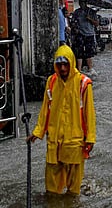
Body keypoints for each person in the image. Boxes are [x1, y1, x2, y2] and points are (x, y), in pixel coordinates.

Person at [26, 45, 96, 195]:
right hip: (54, 141)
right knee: (51, 190)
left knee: (73, 191)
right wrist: (37, 132)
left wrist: (90, 138)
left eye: (66, 64)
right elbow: (46, 109)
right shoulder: (51, 82)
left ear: (71, 63)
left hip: (74, 142)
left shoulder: (83, 83)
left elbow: (89, 114)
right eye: (59, 64)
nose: (63, 68)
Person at [71, 0, 99, 77]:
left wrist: (90, 19)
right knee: (79, 52)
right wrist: (75, 28)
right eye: (80, 2)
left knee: (89, 52)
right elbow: (73, 22)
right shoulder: (77, 12)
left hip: (89, 34)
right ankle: (79, 70)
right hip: (80, 34)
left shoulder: (91, 12)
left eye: (83, 2)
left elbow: (96, 23)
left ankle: (90, 68)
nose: (82, 4)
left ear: (86, 3)